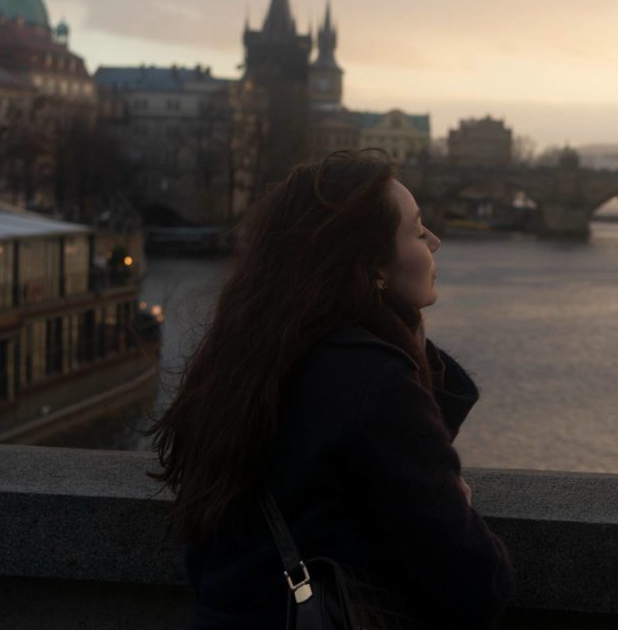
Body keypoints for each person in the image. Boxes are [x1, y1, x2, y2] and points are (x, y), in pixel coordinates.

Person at [149, 148, 516, 629]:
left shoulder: (246, 356)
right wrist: (456, 501)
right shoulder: (373, 378)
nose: (435, 241)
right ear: (372, 264)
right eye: (417, 228)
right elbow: (478, 584)